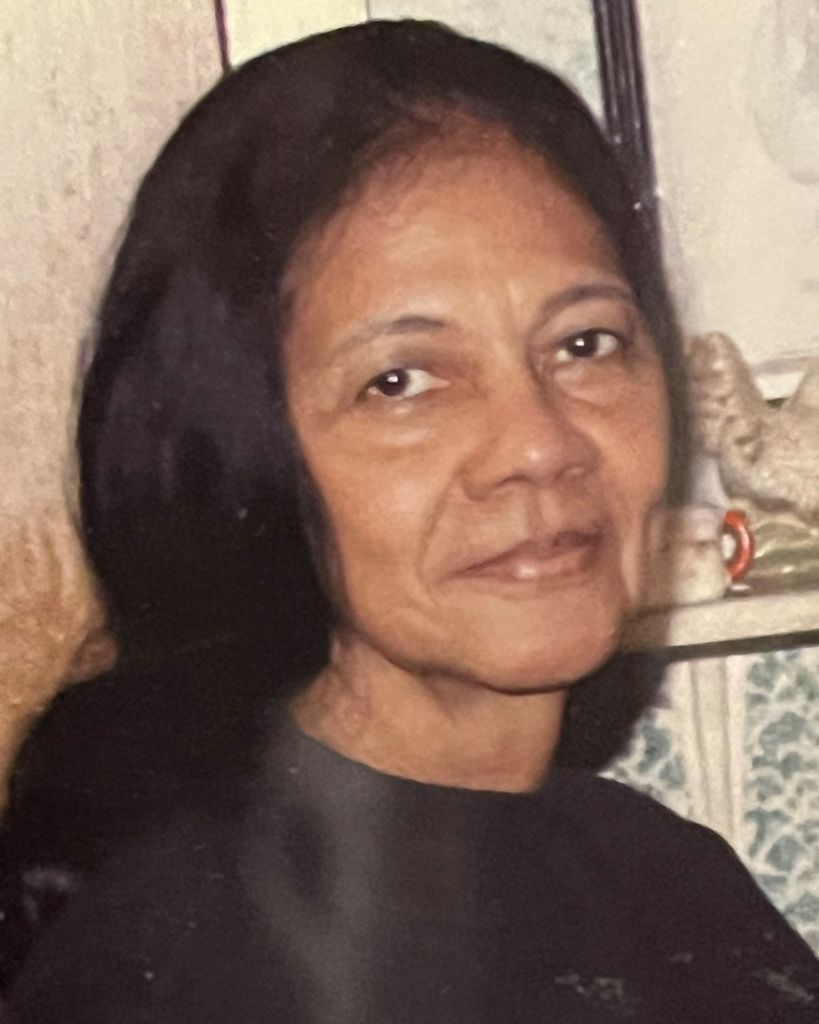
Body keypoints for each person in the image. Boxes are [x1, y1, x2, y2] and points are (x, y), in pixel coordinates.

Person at [1, 18, 817, 1023]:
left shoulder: (664, 875)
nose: (538, 442)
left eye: (585, 343)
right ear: (247, 453)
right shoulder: (188, 965)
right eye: (401, 381)